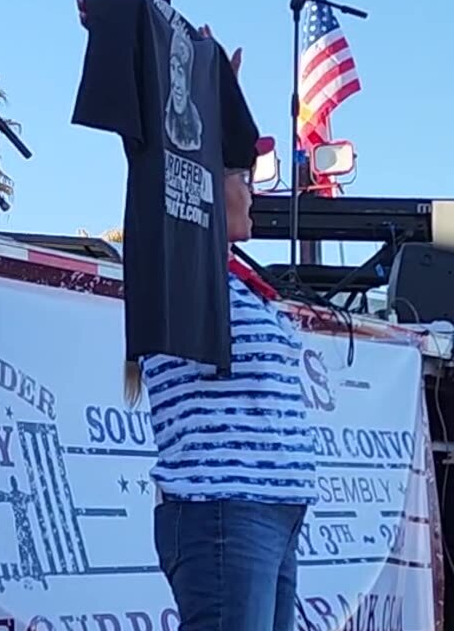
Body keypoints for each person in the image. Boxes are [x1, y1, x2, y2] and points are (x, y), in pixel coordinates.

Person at [136, 38, 315, 631]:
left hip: (270, 512)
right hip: (224, 511)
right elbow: (164, 169)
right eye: (242, 174)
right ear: (204, 184)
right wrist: (195, 104)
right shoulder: (182, 269)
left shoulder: (240, 280)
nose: (254, 188)